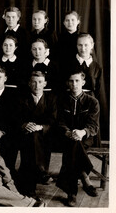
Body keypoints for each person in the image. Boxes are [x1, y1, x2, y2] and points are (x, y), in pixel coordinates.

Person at [56, 70, 100, 207]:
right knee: (72, 143)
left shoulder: (92, 102)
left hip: (86, 138)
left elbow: (94, 125)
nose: (74, 84)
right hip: (65, 137)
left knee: (74, 146)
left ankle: (72, 193)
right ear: (67, 83)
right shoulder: (61, 100)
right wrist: (68, 132)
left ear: (83, 82)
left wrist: (82, 132)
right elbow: (59, 122)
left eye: (77, 81)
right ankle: (85, 176)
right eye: (71, 81)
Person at [17, 71, 57, 197]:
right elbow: (16, 117)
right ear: (29, 83)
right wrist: (24, 125)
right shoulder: (22, 98)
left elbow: (53, 119)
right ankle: (40, 171)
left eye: (40, 82)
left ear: (45, 83)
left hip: (46, 135)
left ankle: (31, 185)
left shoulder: (51, 99)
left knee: (34, 139)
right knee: (30, 139)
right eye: (33, 82)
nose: (37, 85)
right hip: (26, 134)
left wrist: (40, 127)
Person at [67, 33, 102, 98]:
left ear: (92, 45)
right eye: (80, 45)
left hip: (90, 100)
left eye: (86, 45)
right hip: (71, 100)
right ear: (76, 46)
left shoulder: (97, 67)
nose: (83, 48)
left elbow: (98, 90)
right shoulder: (68, 64)